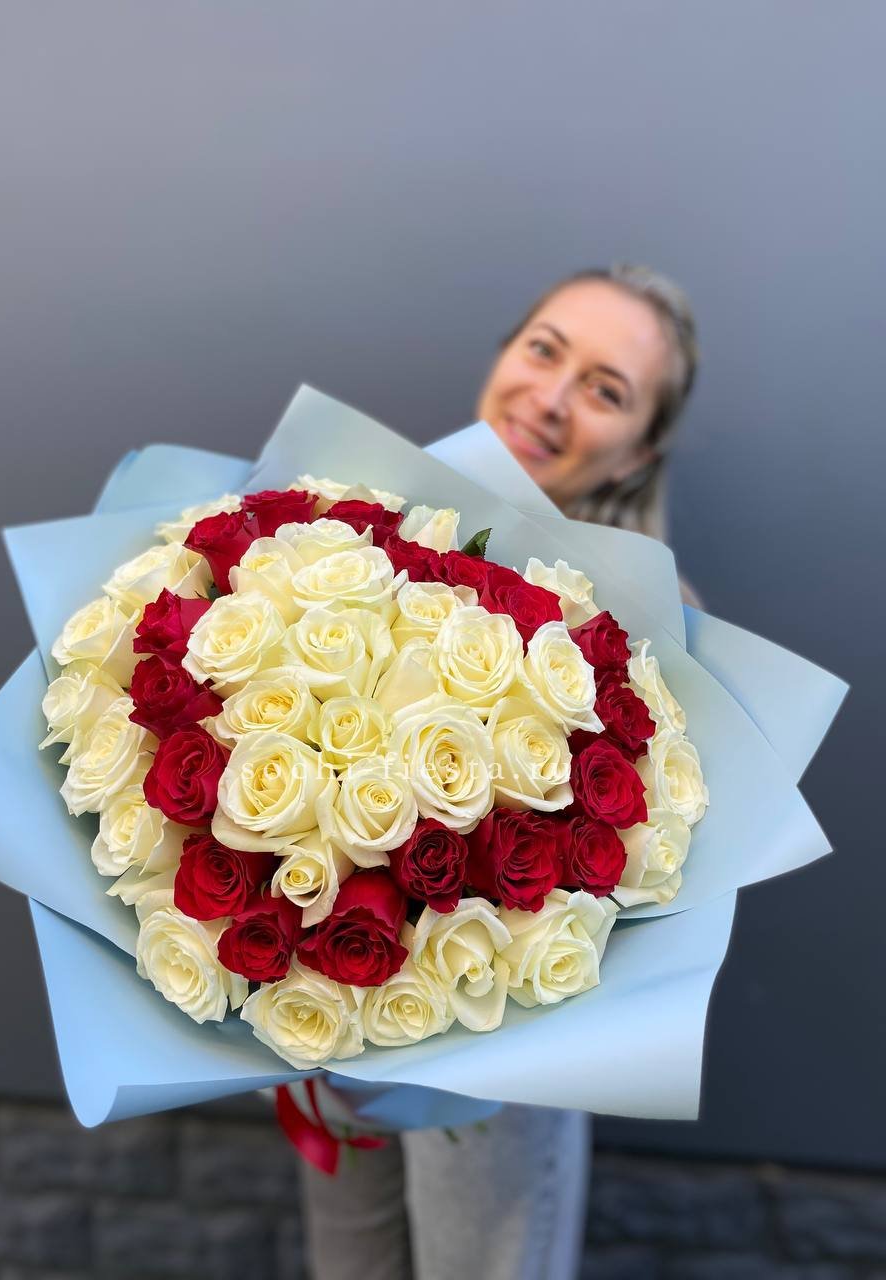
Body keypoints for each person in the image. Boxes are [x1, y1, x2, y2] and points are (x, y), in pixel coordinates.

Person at [299, 263, 701, 1280]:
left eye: (606, 389)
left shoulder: (656, 638)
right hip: (327, 1006)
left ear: (642, 447)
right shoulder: (360, 536)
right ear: (504, 354)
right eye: (544, 349)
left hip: (503, 1054)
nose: (552, 396)